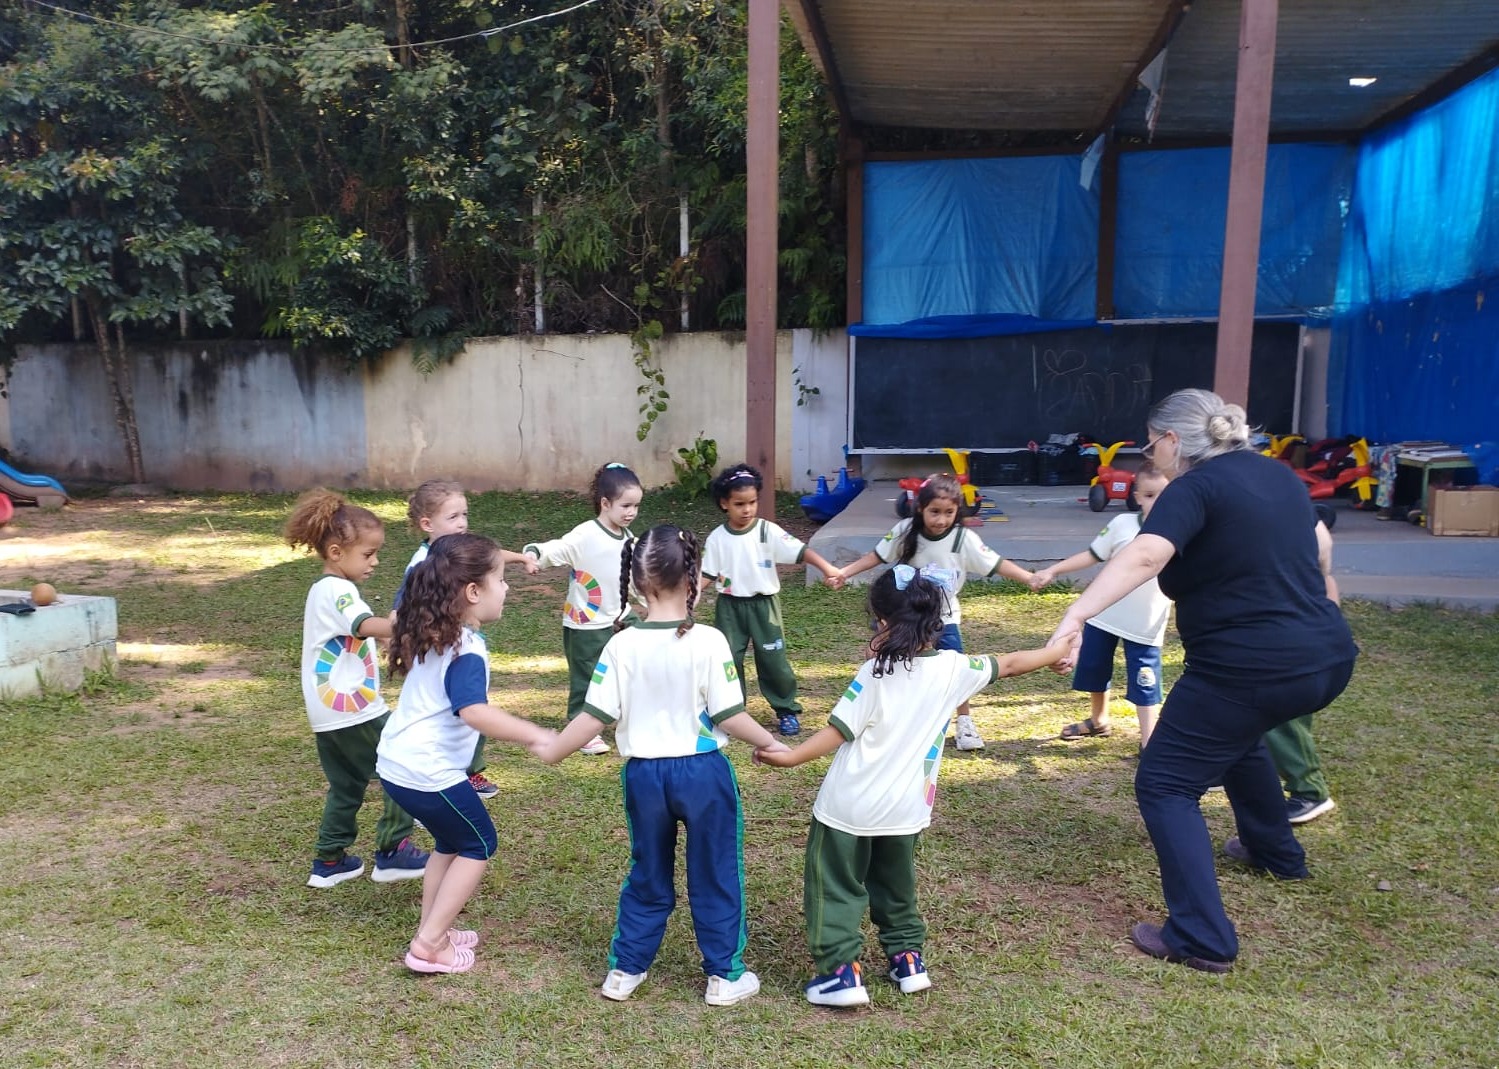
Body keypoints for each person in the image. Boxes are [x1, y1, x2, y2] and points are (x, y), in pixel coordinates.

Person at [1047, 389, 1358, 973]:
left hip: (1248, 668)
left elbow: (1146, 555)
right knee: (1235, 735)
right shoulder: (1278, 475)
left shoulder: (1193, 487)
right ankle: (1274, 852)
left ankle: (1201, 937)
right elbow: (1321, 547)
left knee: (1165, 783)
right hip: (1327, 656)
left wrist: (1077, 614)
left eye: (1149, 445)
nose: (1150, 456)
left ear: (1171, 440)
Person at [756, 565, 1068, 1007]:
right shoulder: (956, 668)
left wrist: (790, 757)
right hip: (907, 810)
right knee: (896, 884)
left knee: (835, 885)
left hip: (849, 808)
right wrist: (1056, 650)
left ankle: (840, 975)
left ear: (881, 621)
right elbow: (1014, 663)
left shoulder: (874, 673)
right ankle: (908, 960)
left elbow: (837, 732)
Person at [537, 525, 791, 1006]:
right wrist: (770, 742)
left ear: (635, 582)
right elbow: (729, 715)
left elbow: (594, 716)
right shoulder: (710, 640)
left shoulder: (620, 644)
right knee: (715, 870)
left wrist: (553, 749)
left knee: (648, 870)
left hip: (644, 778)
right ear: (694, 576)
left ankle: (625, 970)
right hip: (702, 774)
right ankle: (725, 976)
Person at [378, 533, 558, 974]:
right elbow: (474, 712)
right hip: (427, 772)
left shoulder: (436, 634)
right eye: (501, 579)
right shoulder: (466, 650)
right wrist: (534, 734)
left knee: (450, 843)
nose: (507, 587)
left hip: (397, 765)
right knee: (479, 843)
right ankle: (428, 945)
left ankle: (433, 929)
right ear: (474, 591)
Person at [284, 489, 430, 889]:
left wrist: (383, 639)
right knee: (402, 761)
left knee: (346, 786)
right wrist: (411, 627)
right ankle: (394, 850)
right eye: (368, 554)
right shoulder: (337, 590)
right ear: (336, 552)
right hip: (353, 709)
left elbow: (356, 634)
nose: (375, 561)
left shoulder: (325, 591)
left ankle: (330, 860)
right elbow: (364, 624)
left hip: (328, 714)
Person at [830, 473, 1037, 752]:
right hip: (906, 616)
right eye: (934, 512)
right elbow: (876, 556)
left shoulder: (963, 539)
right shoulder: (905, 531)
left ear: (957, 511)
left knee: (956, 668)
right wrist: (844, 572)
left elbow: (996, 563)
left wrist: (1028, 577)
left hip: (944, 617)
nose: (941, 520)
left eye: (949, 512)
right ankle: (883, 715)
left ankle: (964, 722)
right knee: (891, 661)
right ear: (920, 508)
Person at [394, 479, 536, 800]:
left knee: (468, 707)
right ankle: (440, 784)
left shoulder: (460, 552)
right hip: (441, 647)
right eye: (453, 517)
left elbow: (490, 557)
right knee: (465, 709)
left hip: (458, 639)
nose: (462, 523)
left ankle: (466, 772)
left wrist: (520, 557)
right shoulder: (422, 565)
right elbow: (401, 610)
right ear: (427, 524)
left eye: (464, 515)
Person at [1033, 465, 1172, 750]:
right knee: (1094, 669)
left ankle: (1149, 745)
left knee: (1145, 682)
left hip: (1145, 626)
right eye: (1149, 495)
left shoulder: (1176, 533)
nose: (1156, 502)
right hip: (1104, 615)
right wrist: (1053, 570)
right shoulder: (1122, 524)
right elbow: (1092, 555)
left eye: (1164, 495)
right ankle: (1099, 720)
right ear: (1137, 497)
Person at [700, 462, 842, 737]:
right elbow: (706, 573)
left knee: (773, 659)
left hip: (764, 606)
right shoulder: (717, 538)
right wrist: (688, 598)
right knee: (727, 660)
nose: (747, 509)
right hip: (729, 608)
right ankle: (730, 711)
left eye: (752, 502)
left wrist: (828, 568)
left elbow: (801, 551)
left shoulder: (768, 531)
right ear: (724, 503)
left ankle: (786, 709)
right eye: (739, 504)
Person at [523, 462, 644, 757]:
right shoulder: (586, 535)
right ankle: (581, 726)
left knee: (636, 661)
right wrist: (534, 554)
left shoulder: (630, 540)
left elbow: (634, 579)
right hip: (586, 622)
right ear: (605, 503)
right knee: (588, 676)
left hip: (620, 615)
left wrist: (652, 601)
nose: (631, 512)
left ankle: (631, 715)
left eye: (636, 506)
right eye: (626, 505)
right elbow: (558, 548)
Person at [1256, 510, 1340, 826]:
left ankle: (1310, 790)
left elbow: (1323, 554)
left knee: (1282, 714)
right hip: (1274, 634)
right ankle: (1228, 767)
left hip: (1293, 642)